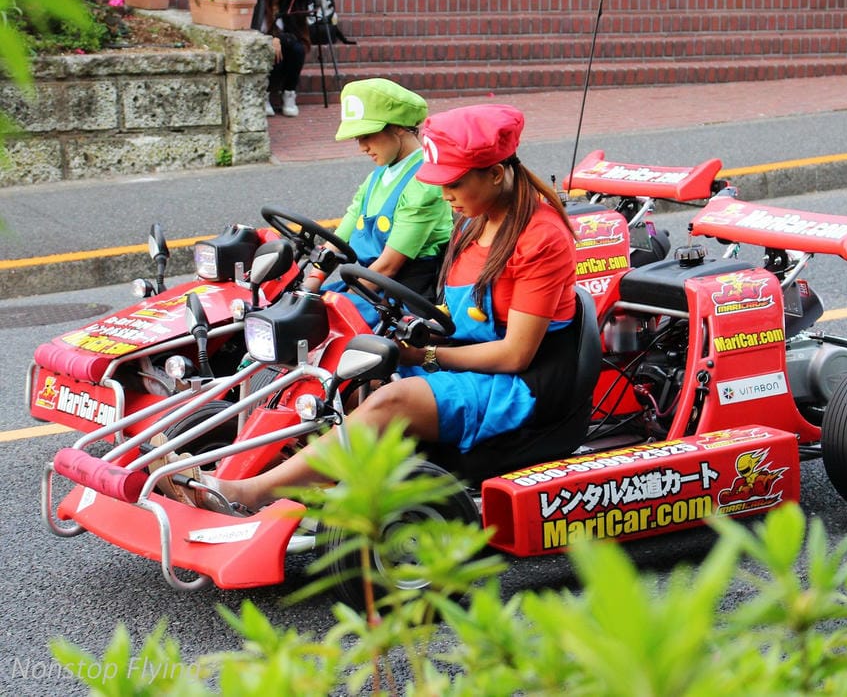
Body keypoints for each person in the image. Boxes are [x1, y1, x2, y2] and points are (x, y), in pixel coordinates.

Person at [171, 103, 580, 514]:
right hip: (469, 358)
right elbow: (452, 313)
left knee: (392, 399)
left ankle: (250, 493)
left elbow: (515, 354)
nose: (444, 195)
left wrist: (425, 355)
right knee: (343, 371)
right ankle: (282, 470)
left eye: (452, 183)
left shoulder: (540, 237)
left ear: (495, 173)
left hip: (522, 384)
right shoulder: (473, 220)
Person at [304, 78, 453, 325]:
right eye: (357, 138)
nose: (362, 147)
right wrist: (311, 284)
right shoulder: (379, 175)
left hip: (403, 295)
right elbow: (339, 238)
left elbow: (389, 266)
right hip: (369, 284)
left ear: (398, 127)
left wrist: (342, 306)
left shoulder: (425, 182)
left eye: (368, 136)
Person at [246, 0, 318, 117]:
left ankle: (289, 94)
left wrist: (278, 39)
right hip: (255, 47)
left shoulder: (289, 8)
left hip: (281, 58)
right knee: (273, 46)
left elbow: (296, 38)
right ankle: (264, 94)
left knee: (296, 47)